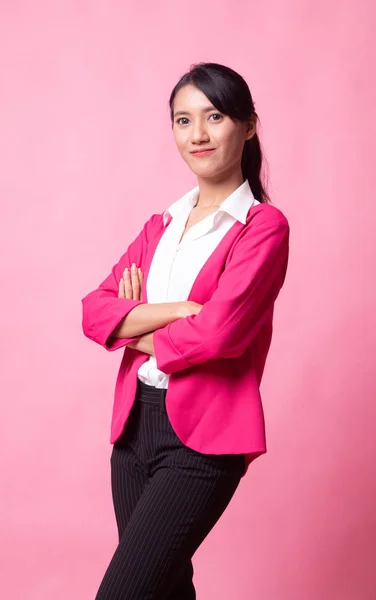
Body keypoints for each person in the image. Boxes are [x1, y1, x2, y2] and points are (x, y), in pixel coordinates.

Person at [81, 61, 290, 600]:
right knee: (166, 591)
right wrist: (177, 310)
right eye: (182, 120)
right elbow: (93, 311)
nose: (197, 134)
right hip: (132, 431)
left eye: (214, 116)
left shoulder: (262, 228)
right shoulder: (161, 226)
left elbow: (220, 335)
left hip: (203, 440)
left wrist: (134, 322)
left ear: (247, 126)